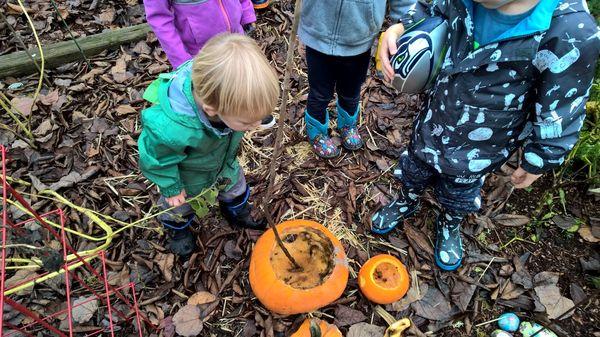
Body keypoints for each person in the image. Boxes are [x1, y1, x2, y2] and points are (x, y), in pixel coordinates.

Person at [373, 0, 600, 271]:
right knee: (415, 167)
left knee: (461, 188)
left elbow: (563, 104)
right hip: (436, 117)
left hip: (484, 143)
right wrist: (402, 27)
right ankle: (407, 199)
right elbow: (432, 8)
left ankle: (450, 221)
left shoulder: (568, 30)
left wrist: (541, 157)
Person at [137, 33, 280, 257]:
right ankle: (178, 230)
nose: (254, 126)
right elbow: (156, 159)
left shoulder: (226, 99)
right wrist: (171, 187)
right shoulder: (172, 129)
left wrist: (249, 119)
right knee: (178, 208)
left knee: (235, 187)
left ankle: (237, 211)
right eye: (247, 122)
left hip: (223, 163)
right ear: (212, 110)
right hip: (188, 178)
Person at [298, 0, 416, 158]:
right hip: (318, 31)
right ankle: (317, 131)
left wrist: (404, 20)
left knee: (351, 89)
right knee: (320, 93)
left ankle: (348, 124)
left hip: (359, 35)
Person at [144, 0, 258, 69]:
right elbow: (159, 18)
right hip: (201, 55)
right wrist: (182, 62)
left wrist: (246, 12)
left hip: (236, 40)